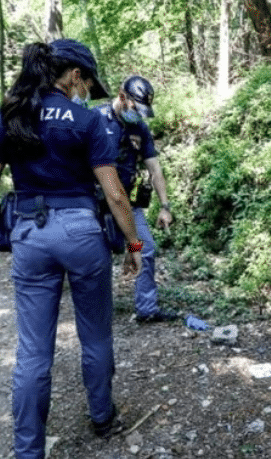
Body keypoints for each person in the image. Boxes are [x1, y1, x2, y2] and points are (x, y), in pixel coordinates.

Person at [0, 39, 146, 459]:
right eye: (86, 82)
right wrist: (133, 244)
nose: (86, 90)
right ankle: (103, 418)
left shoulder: (6, 117)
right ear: (74, 75)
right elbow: (116, 194)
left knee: (32, 350)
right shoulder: (88, 122)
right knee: (96, 334)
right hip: (83, 233)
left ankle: (28, 449)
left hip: (30, 236)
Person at [94, 75, 178, 322]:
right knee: (97, 257)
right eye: (135, 108)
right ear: (122, 97)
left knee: (143, 247)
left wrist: (165, 206)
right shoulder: (95, 119)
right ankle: (96, 312)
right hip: (93, 206)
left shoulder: (140, 128)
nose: (138, 114)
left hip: (127, 205)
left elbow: (155, 169)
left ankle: (147, 308)